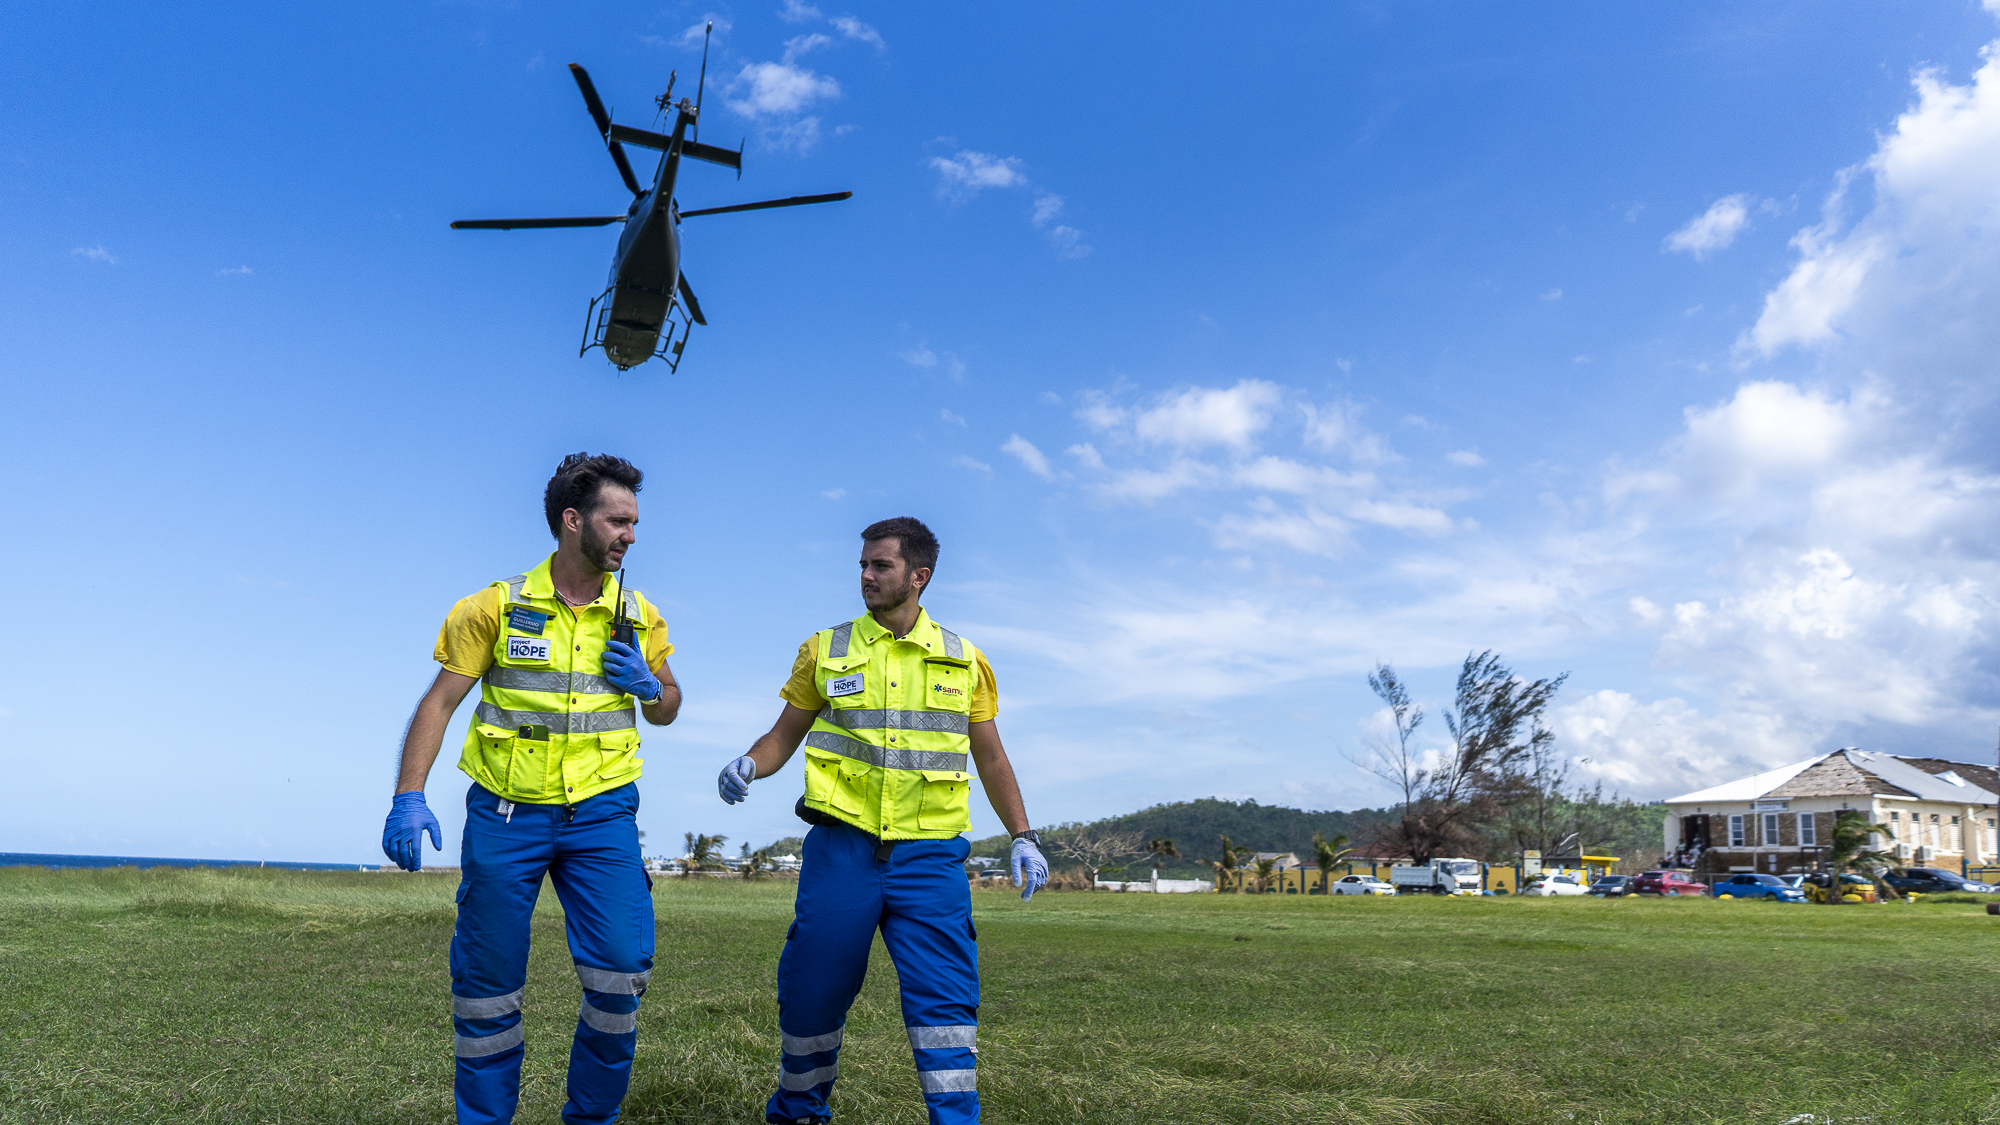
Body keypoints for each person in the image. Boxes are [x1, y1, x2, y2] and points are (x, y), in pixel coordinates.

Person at [379, 452, 681, 1125]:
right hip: (506, 815)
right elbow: (439, 702)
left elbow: (668, 704)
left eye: (634, 521)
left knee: (622, 974)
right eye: (618, 520)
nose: (631, 535)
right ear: (573, 520)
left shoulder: (639, 615)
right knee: (487, 986)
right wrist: (408, 794)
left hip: (602, 814)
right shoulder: (493, 606)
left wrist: (649, 685)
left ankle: (592, 1118)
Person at [715, 516, 1048, 1125]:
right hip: (841, 851)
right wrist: (750, 763)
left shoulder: (964, 659)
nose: (866, 576)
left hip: (930, 857)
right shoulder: (825, 649)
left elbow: (992, 756)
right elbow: (784, 735)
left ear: (919, 576)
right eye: (863, 565)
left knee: (945, 1004)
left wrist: (1023, 836)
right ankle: (798, 1113)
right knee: (813, 994)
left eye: (881, 565)